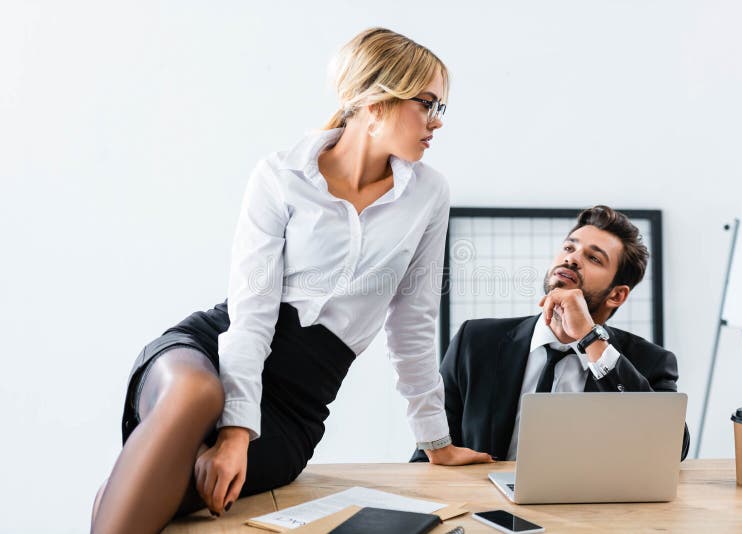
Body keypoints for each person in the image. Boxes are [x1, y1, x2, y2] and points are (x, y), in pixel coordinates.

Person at [91, 27, 492, 534]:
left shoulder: (428, 194)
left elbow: (413, 323)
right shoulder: (280, 176)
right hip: (215, 350)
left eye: (442, 109)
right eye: (428, 104)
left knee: (151, 487)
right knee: (197, 395)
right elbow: (252, 309)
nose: (436, 123)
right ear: (376, 101)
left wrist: (436, 441)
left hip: (295, 408)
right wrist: (236, 433)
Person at [411, 206, 690, 463]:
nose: (572, 258)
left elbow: (672, 449)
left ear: (616, 295)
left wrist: (589, 337)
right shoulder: (475, 341)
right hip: (486, 508)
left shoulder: (649, 362)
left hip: (594, 513)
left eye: (593, 258)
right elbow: (429, 455)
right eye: (569, 247)